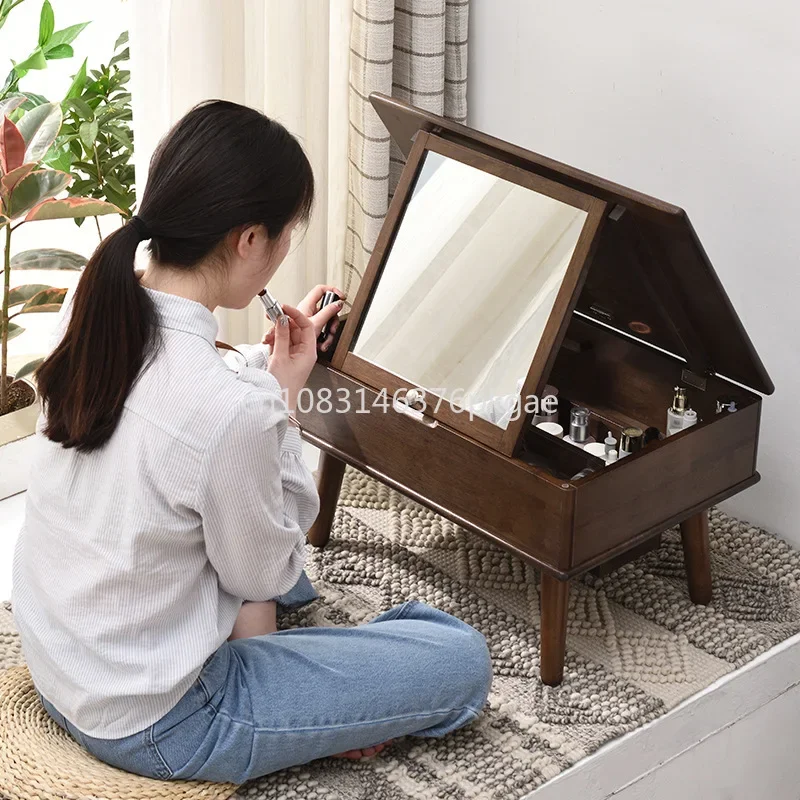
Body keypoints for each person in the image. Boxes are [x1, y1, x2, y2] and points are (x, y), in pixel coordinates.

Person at [11, 100, 492, 783]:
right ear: (248, 240)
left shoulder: (92, 300)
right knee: (459, 661)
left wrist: (267, 383)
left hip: (67, 658)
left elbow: (181, 414)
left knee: (247, 526)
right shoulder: (227, 410)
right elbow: (259, 576)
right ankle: (344, 686)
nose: (286, 249)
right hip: (159, 720)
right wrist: (278, 407)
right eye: (288, 232)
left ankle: (330, 680)